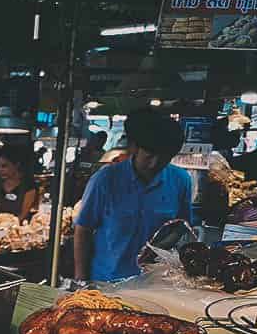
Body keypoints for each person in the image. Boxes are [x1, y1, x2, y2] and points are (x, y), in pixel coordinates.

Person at [73, 108, 191, 283]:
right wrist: (80, 280)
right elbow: (83, 230)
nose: (154, 164)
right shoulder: (105, 180)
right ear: (134, 147)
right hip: (108, 280)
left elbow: (182, 227)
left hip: (157, 282)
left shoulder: (181, 180)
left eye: (164, 158)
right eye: (149, 156)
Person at [0, 146, 38, 222]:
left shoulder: (28, 186)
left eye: (4, 166)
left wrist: (8, 227)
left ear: (16, 165)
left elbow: (23, 215)